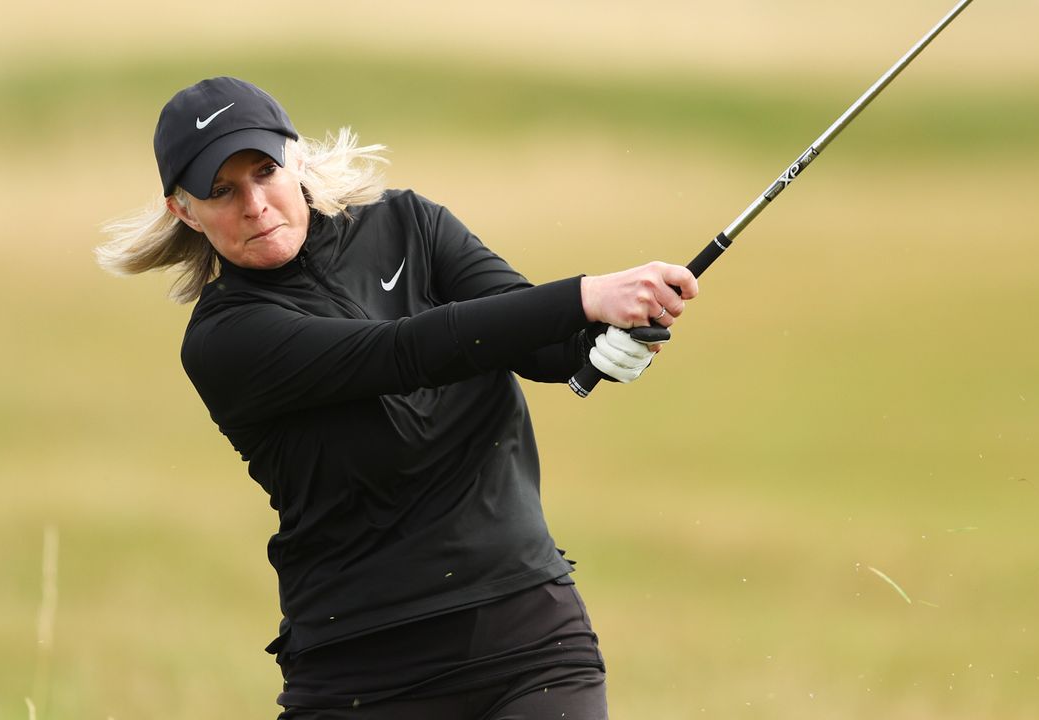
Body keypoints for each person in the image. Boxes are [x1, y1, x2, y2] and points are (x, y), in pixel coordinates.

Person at [98, 76, 698, 720]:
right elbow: (398, 353)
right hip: (362, 668)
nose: (254, 204)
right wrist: (583, 297)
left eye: (265, 171)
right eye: (222, 190)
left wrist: (603, 342)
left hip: (528, 635)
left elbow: (534, 341)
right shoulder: (225, 339)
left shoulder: (408, 223)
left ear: (296, 158)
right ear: (183, 211)